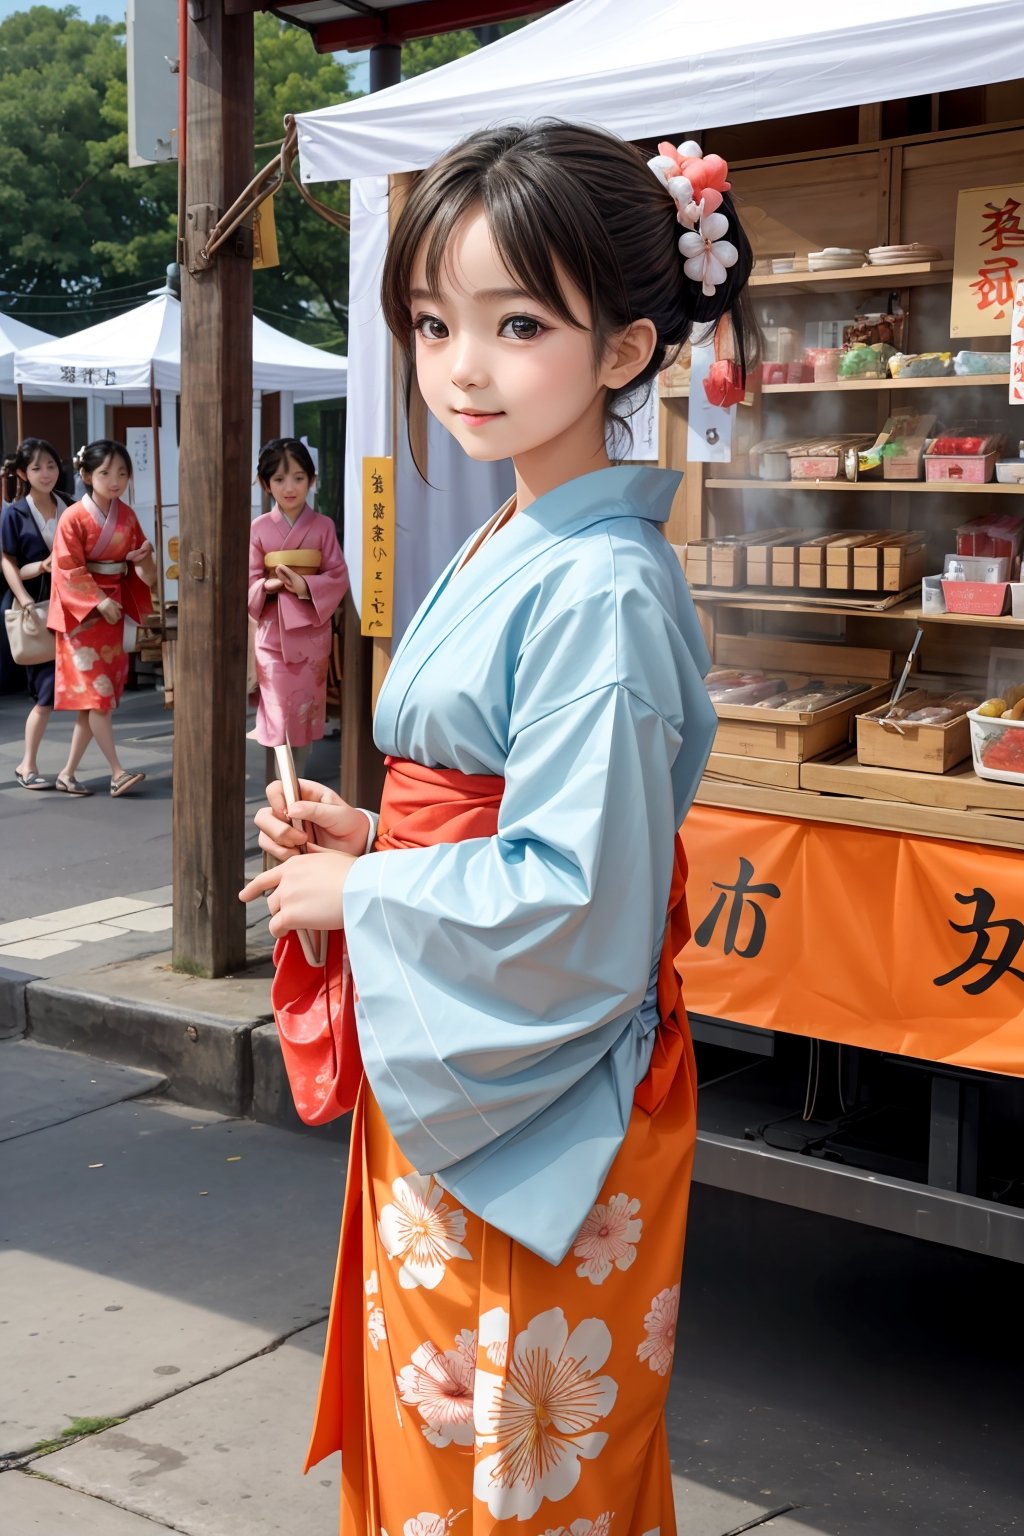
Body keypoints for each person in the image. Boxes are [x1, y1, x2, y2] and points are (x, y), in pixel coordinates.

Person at [241, 122, 753, 1533]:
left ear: (627, 349)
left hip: (543, 1087)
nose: (462, 364)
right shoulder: (526, 530)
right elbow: (499, 804)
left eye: (518, 322)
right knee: (445, 1435)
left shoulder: (599, 583)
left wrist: (375, 897)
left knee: (512, 1464)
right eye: (432, 322)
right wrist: (375, 835)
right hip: (476, 1051)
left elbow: (580, 892)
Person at [47, 439, 157, 796]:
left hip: (115, 610)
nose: (115, 480)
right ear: (85, 474)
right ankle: (117, 771)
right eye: (106, 472)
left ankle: (67, 773)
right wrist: (96, 601)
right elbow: (66, 569)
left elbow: (147, 575)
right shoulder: (73, 518)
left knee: (94, 703)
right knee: (98, 698)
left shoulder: (128, 517)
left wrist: (145, 559)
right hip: (83, 620)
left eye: (122, 473)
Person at [248, 437, 349, 774]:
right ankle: (284, 793)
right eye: (278, 479)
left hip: (310, 636)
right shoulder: (258, 529)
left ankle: (297, 785)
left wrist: (305, 584)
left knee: (303, 720)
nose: (289, 488)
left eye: (298, 478)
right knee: (277, 718)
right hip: (273, 635)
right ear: (266, 484)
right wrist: (268, 584)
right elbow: (247, 582)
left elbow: (338, 575)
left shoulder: (323, 527)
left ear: (312, 480)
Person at [1, 439, 73, 788]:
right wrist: (25, 598)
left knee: (84, 695)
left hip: (73, 609)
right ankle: (27, 765)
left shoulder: (71, 506)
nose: (46, 473)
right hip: (37, 609)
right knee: (46, 692)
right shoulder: (14, 513)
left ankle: (70, 771)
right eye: (36, 468)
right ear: (22, 473)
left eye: (51, 465)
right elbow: (7, 561)